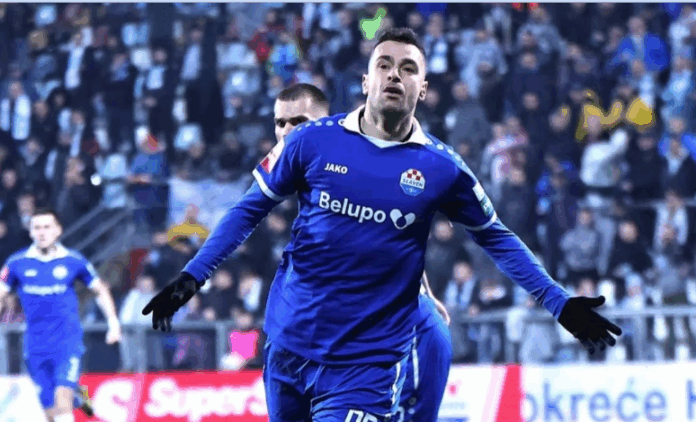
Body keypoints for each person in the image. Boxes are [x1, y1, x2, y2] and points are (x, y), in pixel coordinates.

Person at [143, 28, 621, 422]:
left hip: (365, 365)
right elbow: (248, 210)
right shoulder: (312, 141)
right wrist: (191, 277)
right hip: (288, 344)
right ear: (366, 80)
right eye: (384, 65)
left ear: (423, 89)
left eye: (408, 68)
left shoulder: (441, 168)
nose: (395, 74)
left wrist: (559, 302)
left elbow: (496, 237)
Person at [273, 82, 453, 422]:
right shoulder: (299, 170)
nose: (286, 132)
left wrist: (423, 293)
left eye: (298, 123)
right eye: (280, 123)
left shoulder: (349, 163)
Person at [0, 209, 122, 422]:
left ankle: (72, 393)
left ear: (58, 230)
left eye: (47, 227)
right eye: (37, 227)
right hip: (35, 346)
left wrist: (113, 323)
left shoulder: (73, 260)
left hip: (67, 342)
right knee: (49, 412)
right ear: (30, 231)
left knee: (62, 400)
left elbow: (100, 290)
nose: (42, 232)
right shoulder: (16, 263)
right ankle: (79, 395)